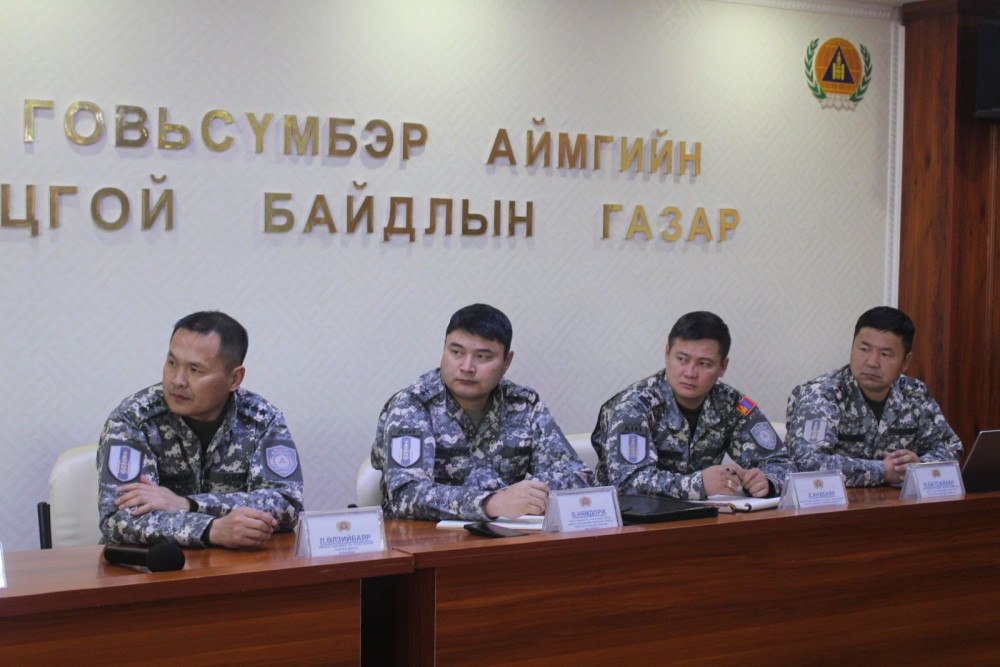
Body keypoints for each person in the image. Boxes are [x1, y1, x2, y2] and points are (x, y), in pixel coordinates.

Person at [97, 311, 304, 548]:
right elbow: (119, 518)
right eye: (172, 363)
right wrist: (209, 529)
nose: (177, 380)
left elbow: (287, 504)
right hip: (149, 565)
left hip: (235, 564)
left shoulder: (262, 420)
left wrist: (188, 504)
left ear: (234, 379)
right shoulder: (133, 419)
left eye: (195, 370)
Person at [370, 303, 592, 520]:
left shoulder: (523, 405)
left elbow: (579, 477)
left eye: (482, 357)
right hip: (425, 539)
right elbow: (406, 495)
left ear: (506, 361)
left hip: (507, 537)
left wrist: (528, 494)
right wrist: (492, 503)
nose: (467, 367)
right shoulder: (413, 406)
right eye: (456, 352)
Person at [592, 311, 790, 500]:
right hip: (632, 519)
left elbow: (783, 464)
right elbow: (627, 483)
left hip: (706, 517)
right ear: (667, 354)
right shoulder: (632, 407)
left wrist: (767, 481)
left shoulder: (733, 404)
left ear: (723, 367)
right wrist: (699, 485)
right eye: (682, 359)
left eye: (704, 364)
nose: (690, 373)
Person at [785, 306, 962, 486]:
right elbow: (807, 463)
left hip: (896, 500)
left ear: (905, 362)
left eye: (885, 354)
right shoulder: (821, 395)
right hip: (834, 500)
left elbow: (951, 449)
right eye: (864, 349)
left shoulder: (914, 393)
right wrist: (882, 471)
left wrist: (918, 465)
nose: (872, 362)